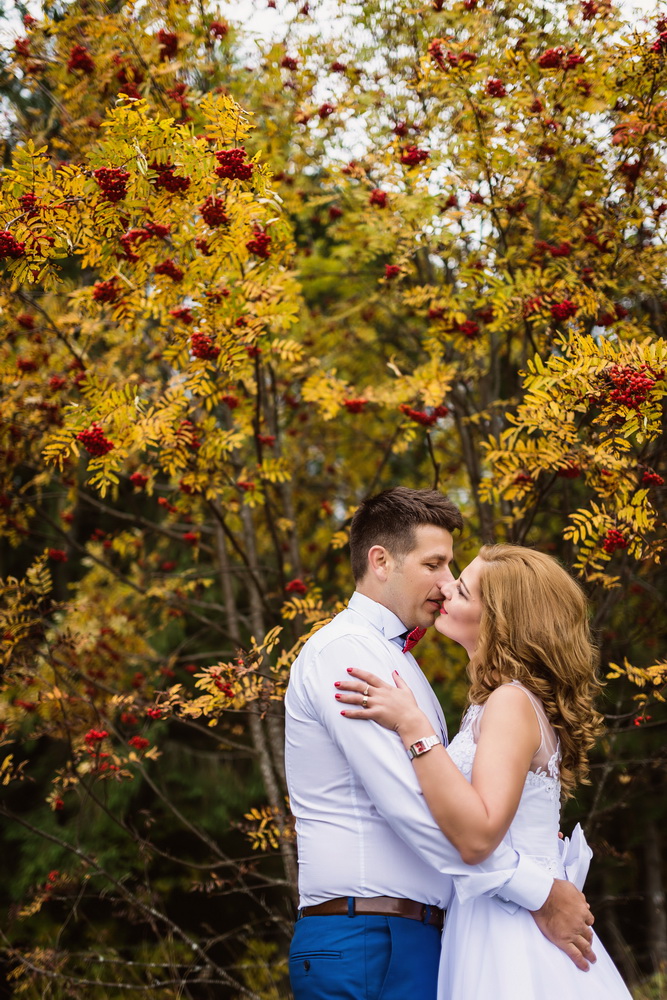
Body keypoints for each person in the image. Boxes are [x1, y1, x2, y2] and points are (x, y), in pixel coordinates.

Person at [285, 488, 595, 1000]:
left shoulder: (410, 668)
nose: (447, 583)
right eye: (435, 564)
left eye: (453, 569)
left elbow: (454, 799)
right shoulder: (347, 655)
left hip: (419, 933)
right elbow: (409, 806)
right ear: (381, 562)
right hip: (370, 933)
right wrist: (538, 891)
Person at [335, 543, 632, 1000]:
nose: (445, 590)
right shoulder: (497, 702)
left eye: (462, 589)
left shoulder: (510, 702)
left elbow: (479, 835)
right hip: (492, 913)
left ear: (500, 617)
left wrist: (413, 727)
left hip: (511, 931)